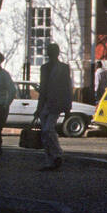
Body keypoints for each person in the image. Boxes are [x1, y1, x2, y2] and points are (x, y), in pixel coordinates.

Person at [36, 42, 73, 171]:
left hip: (56, 103)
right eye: (49, 51)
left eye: (52, 51)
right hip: (45, 103)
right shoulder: (44, 68)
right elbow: (42, 88)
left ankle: (57, 154)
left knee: (48, 130)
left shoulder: (64, 68)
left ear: (57, 53)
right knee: (45, 134)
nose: (50, 53)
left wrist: (68, 106)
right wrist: (38, 107)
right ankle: (49, 160)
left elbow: (67, 87)